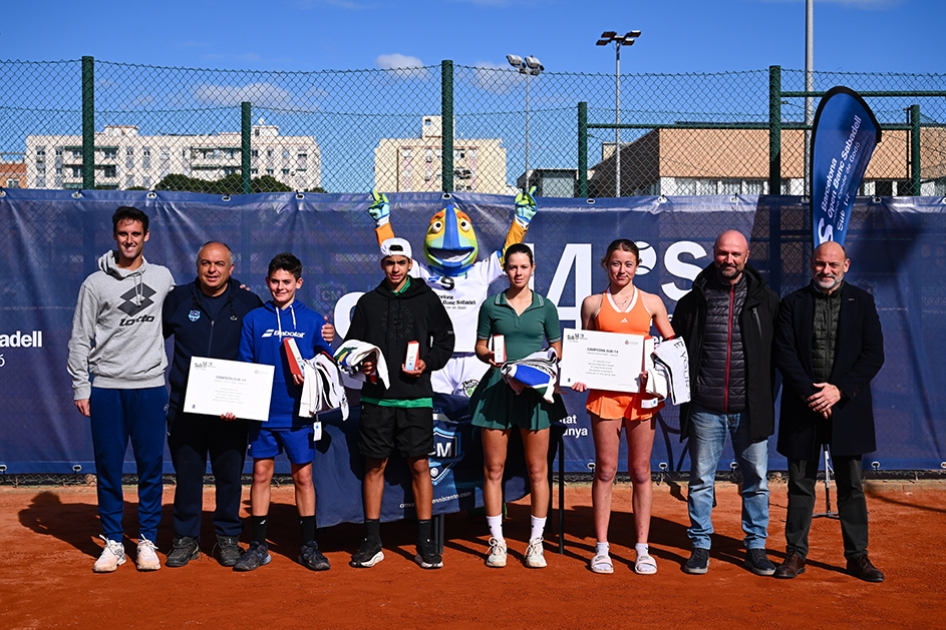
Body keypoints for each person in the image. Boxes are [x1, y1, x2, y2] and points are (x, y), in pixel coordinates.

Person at [67, 206, 175, 573]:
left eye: (136, 234)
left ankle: (147, 540)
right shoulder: (95, 283)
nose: (129, 240)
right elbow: (80, 339)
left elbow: (190, 306)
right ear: (115, 236)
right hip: (108, 388)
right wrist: (82, 386)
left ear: (147, 237)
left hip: (150, 387)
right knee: (109, 467)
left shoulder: (162, 278)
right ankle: (113, 541)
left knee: (151, 467)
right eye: (123, 234)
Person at [774, 241, 885, 582]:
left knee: (851, 485)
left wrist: (839, 391)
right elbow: (784, 354)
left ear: (846, 266)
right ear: (811, 264)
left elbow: (873, 354)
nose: (826, 270)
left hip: (847, 409)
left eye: (833, 265)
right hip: (803, 409)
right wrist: (813, 394)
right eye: (821, 263)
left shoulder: (863, 302)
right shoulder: (793, 304)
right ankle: (795, 554)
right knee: (800, 485)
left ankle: (857, 557)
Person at [671, 230, 780, 576]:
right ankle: (701, 545)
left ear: (746, 256)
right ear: (713, 254)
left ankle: (756, 547)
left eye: (735, 254)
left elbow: (779, 355)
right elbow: (674, 352)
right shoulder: (692, 301)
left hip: (750, 408)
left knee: (756, 480)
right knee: (702, 480)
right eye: (722, 253)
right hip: (705, 407)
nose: (728, 260)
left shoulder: (768, 302)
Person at [345, 237, 455, 569]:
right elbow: (352, 346)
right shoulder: (368, 302)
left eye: (401, 263)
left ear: (410, 265)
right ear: (383, 265)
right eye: (390, 263)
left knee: (420, 466)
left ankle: (425, 542)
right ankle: (373, 542)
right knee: (374, 466)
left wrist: (428, 362)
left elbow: (446, 339)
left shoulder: (426, 298)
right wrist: (361, 363)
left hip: (415, 398)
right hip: (376, 399)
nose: (395, 268)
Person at [365, 189, 537, 396]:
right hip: (435, 356)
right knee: (436, 417)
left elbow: (506, 254)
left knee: (472, 415)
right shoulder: (423, 273)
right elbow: (396, 257)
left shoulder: (480, 272)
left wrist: (521, 221)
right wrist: (382, 223)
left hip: (473, 357)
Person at [571, 239, 674, 575]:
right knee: (605, 470)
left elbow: (672, 347)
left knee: (641, 471)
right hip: (604, 396)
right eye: (616, 263)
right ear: (606, 265)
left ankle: (642, 549)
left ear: (637, 266)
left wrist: (656, 365)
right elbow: (585, 349)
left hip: (642, 398)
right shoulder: (592, 304)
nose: (622, 270)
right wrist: (580, 375)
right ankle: (602, 549)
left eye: (628, 264)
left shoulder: (653, 303)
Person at [162, 242, 265, 568]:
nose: (212, 269)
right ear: (197, 266)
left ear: (231, 269)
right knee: (188, 475)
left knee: (229, 477)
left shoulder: (248, 302)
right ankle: (186, 539)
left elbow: (266, 345)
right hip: (185, 407)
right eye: (206, 263)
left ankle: (228, 538)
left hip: (230, 412)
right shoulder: (177, 299)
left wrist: (322, 332)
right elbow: (150, 340)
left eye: (219, 264)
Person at [233, 252, 333, 572]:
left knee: (303, 476)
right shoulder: (254, 319)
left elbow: (327, 363)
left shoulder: (313, 320)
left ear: (298, 283)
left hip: (299, 415)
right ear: (267, 282)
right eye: (275, 281)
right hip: (262, 414)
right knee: (261, 474)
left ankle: (309, 544)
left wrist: (315, 366)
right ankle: (258, 545)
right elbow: (244, 364)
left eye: (286, 282)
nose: (280, 287)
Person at [469, 243, 563, 569]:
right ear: (506, 270)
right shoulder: (491, 306)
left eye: (523, 267)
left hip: (535, 392)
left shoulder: (546, 307)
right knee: (493, 470)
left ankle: (535, 543)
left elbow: (557, 350)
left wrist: (544, 367)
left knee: (538, 470)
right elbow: (480, 346)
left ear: (533, 268)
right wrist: (488, 356)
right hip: (498, 389)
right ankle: (497, 542)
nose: (518, 272)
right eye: (512, 267)